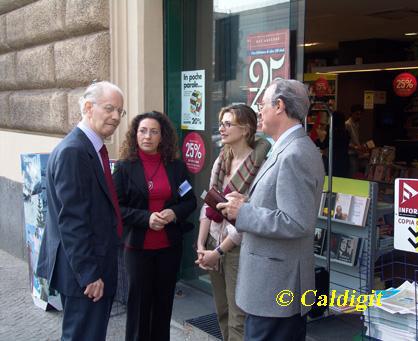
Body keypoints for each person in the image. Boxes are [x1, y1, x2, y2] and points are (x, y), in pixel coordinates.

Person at [218, 79, 325, 340]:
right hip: (273, 287)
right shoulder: (288, 148)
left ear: (279, 106)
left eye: (262, 104)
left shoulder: (294, 153)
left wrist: (242, 211)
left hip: (275, 289)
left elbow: (296, 221)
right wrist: (246, 202)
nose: (259, 110)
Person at [36, 81, 125, 340]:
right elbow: (72, 221)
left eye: (121, 111)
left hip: (92, 268)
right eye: (110, 108)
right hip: (84, 275)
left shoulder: (90, 148)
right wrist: (89, 275)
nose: (116, 117)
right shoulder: (74, 151)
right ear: (88, 107)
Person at [113, 111, 197, 341]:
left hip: (169, 247)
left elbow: (190, 201)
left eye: (153, 131)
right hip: (138, 249)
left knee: (163, 305)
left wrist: (173, 213)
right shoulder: (123, 167)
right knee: (139, 306)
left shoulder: (176, 167)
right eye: (142, 131)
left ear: (163, 136)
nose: (147, 136)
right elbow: (116, 208)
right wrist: (146, 218)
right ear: (135, 134)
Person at [196, 104, 271, 341]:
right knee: (222, 311)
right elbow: (209, 203)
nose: (222, 128)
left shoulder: (259, 166)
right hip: (213, 241)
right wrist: (201, 244)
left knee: (238, 317)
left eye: (228, 124)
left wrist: (218, 251)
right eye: (221, 123)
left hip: (237, 248)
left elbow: (246, 216)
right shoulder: (221, 160)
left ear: (246, 129)